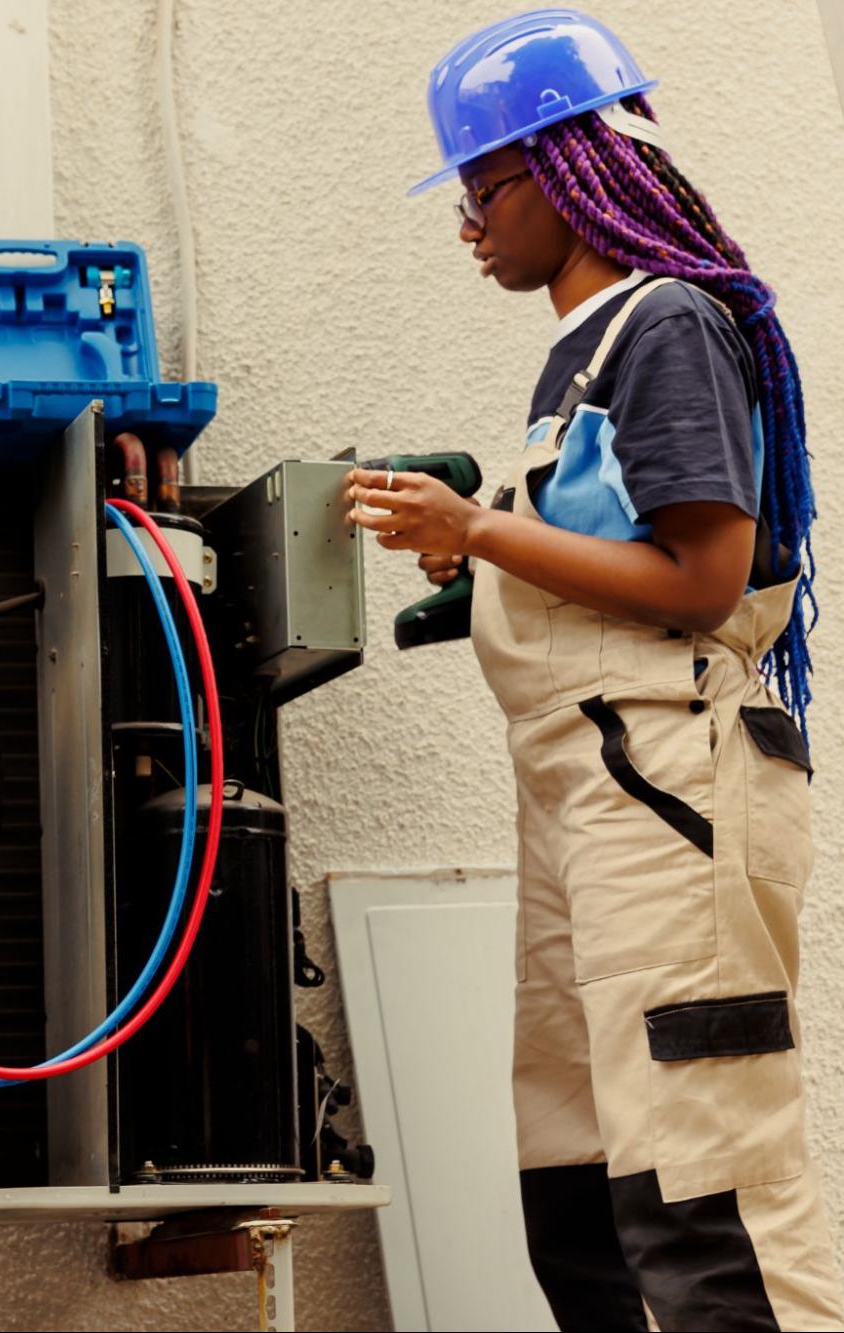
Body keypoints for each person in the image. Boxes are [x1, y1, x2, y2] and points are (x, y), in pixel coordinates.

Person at [349, 10, 839, 1329]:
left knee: (702, 1188)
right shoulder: (582, 352)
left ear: (569, 169)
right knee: (575, 1199)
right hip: (587, 789)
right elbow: (612, 561)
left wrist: (480, 531)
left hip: (666, 781)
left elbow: (701, 580)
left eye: (483, 187)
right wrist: (485, 556)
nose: (467, 223)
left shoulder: (662, 323)